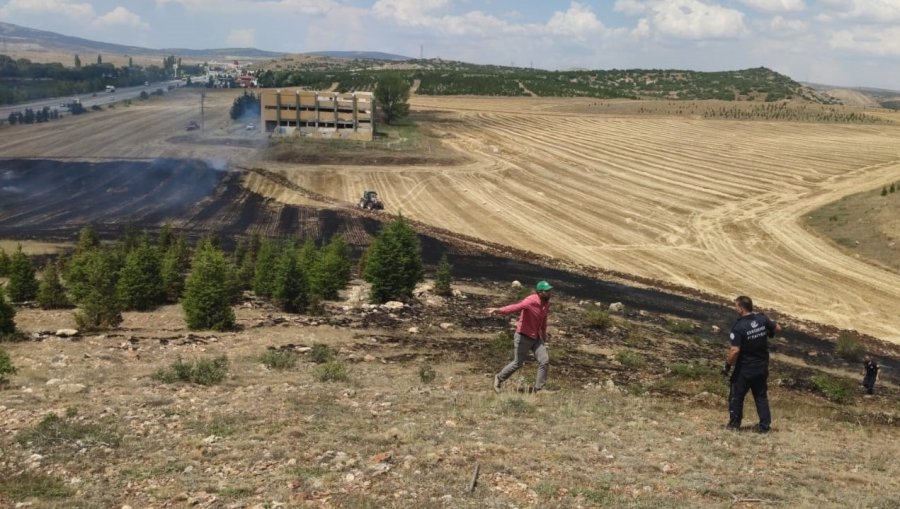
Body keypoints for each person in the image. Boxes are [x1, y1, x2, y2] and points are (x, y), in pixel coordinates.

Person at [723, 295, 781, 432]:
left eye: (736, 306)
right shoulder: (762, 319)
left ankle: (734, 425)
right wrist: (768, 331)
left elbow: (735, 350)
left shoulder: (739, 327)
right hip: (761, 366)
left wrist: (727, 365)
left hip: (745, 368)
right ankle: (765, 426)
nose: (735, 309)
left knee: (736, 396)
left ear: (741, 309)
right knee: (761, 396)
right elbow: (778, 327)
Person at [486, 280, 552, 393]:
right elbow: (516, 307)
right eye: (547, 291)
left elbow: (544, 320)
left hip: (536, 337)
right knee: (518, 363)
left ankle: (539, 389)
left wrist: (544, 334)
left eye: (550, 291)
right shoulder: (531, 301)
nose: (550, 293)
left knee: (544, 361)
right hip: (523, 336)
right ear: (540, 292)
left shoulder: (545, 303)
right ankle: (499, 378)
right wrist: (498, 310)